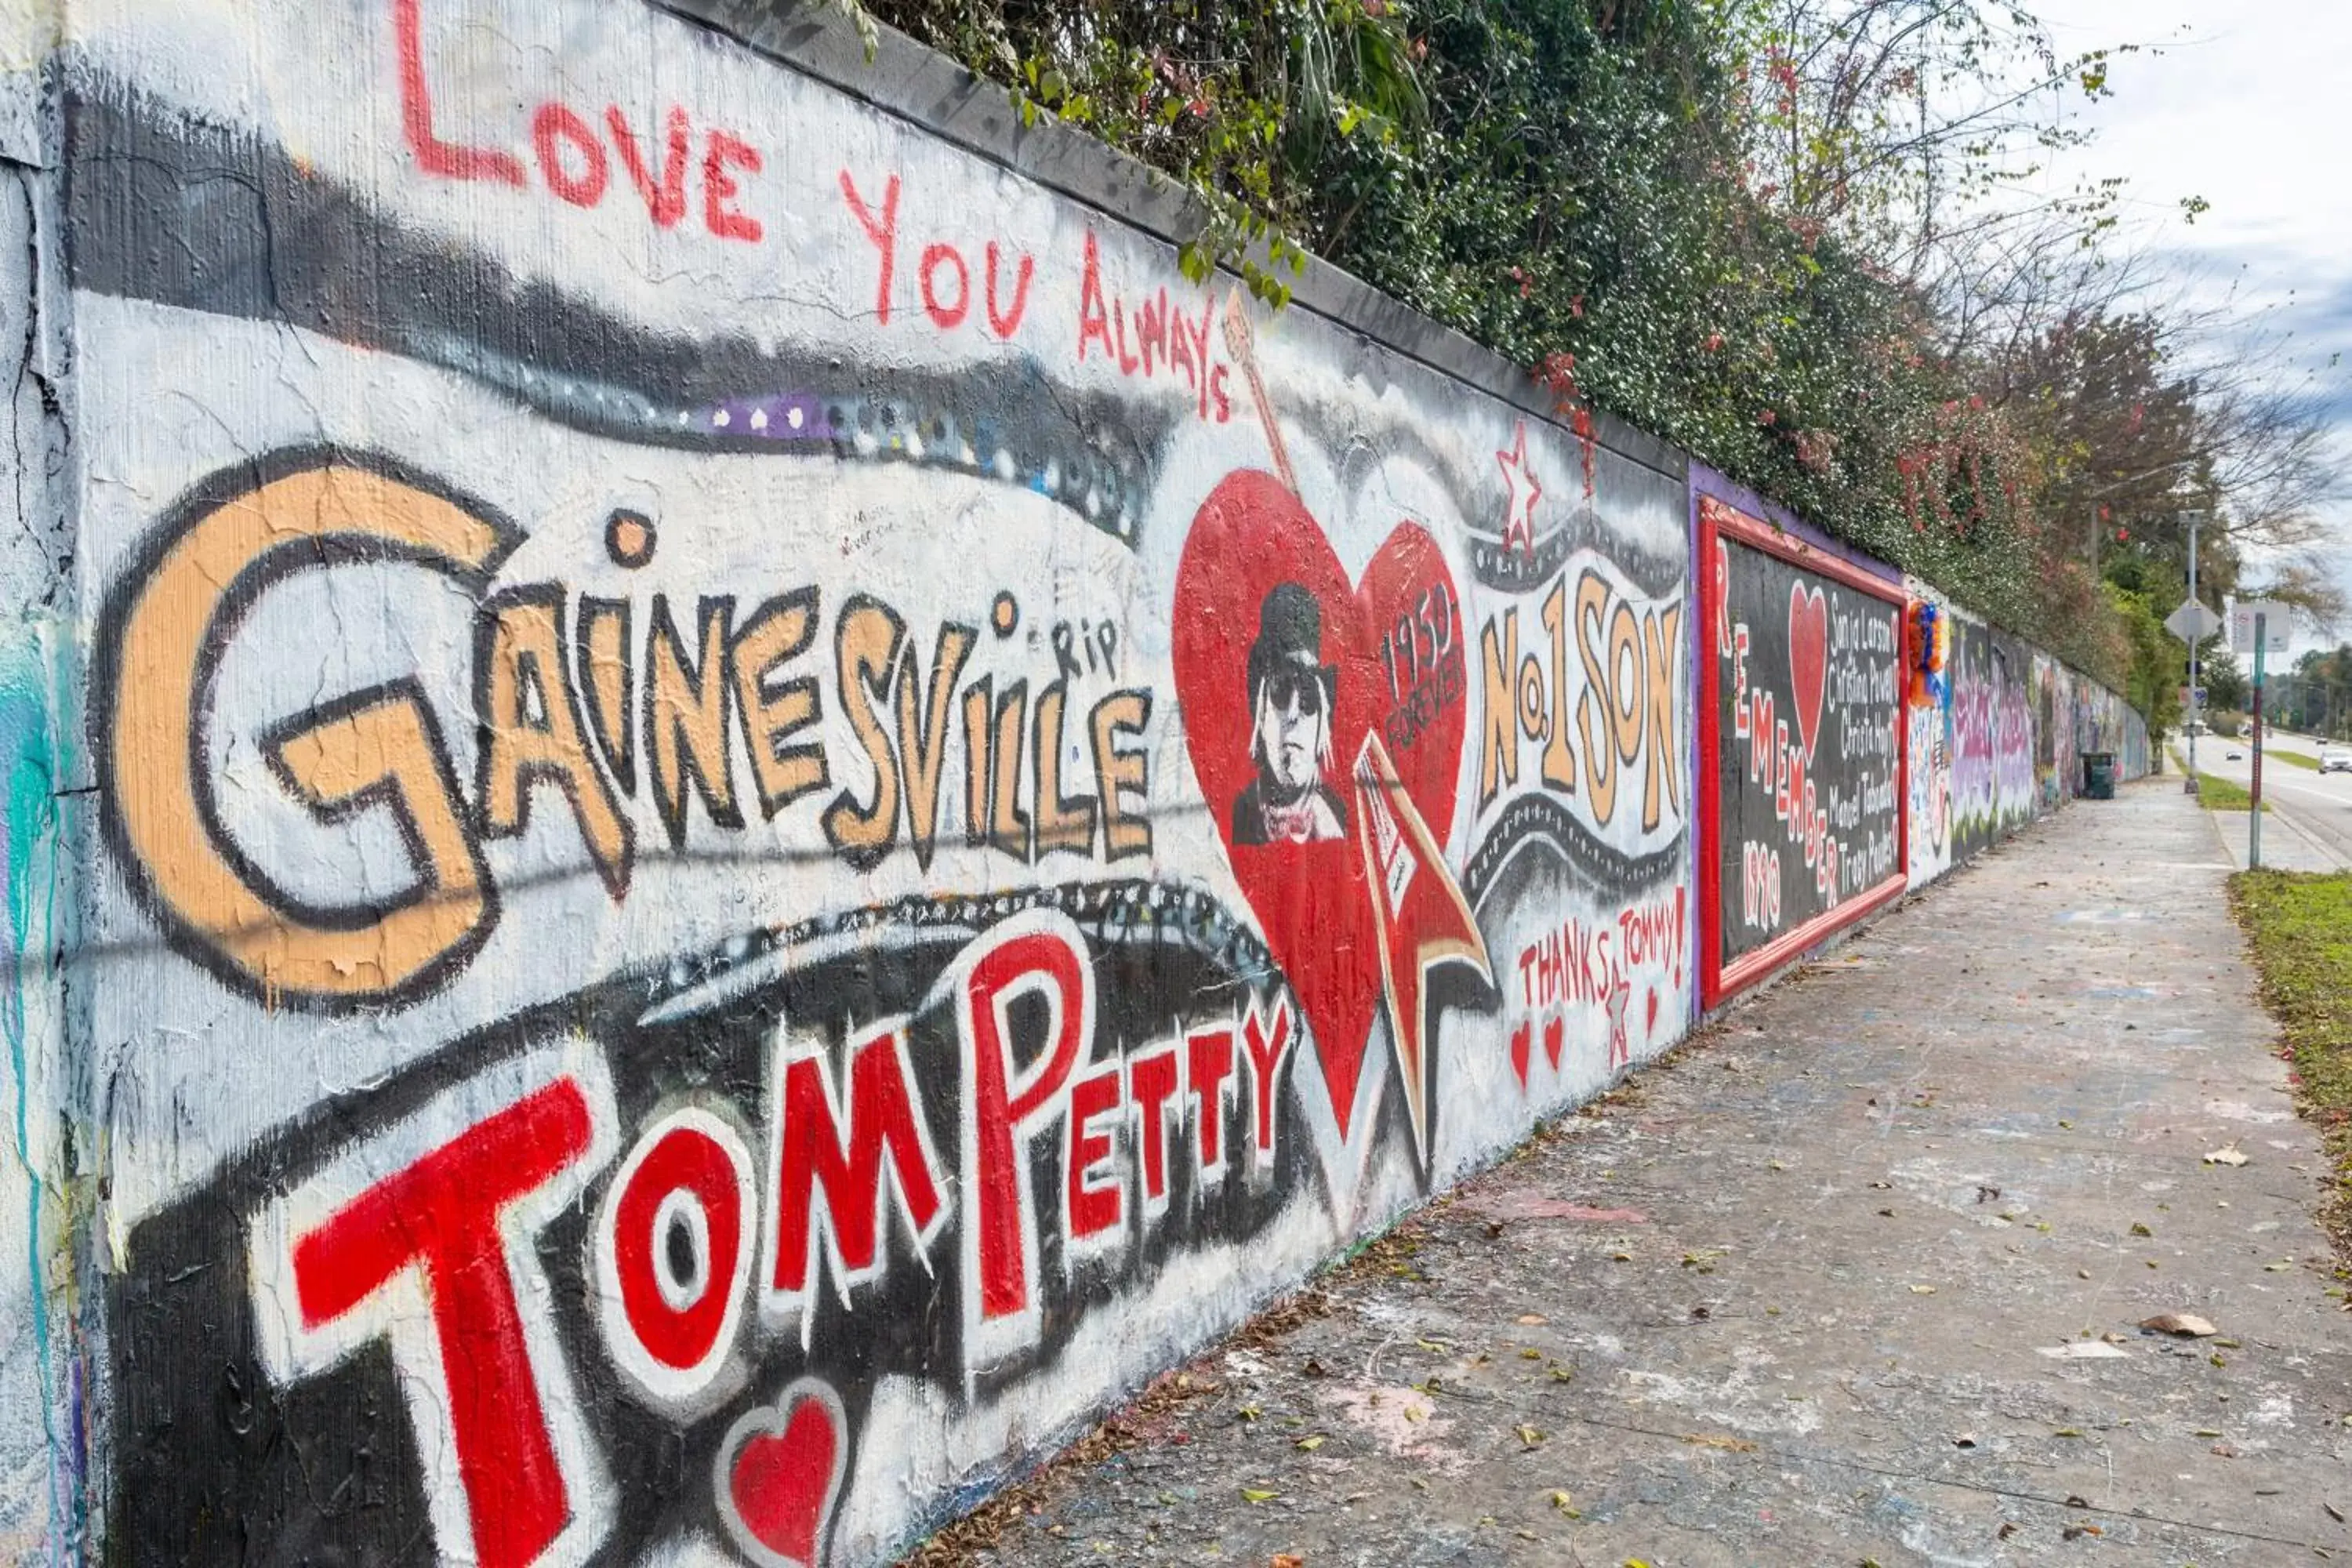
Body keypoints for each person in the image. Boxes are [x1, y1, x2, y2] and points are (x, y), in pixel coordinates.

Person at [1231, 583, 1348, 844]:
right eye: (1281, 692)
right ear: (1261, 714)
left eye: (1307, 699)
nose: (1294, 715)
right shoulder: (1240, 819)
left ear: (1323, 726)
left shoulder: (1338, 822)